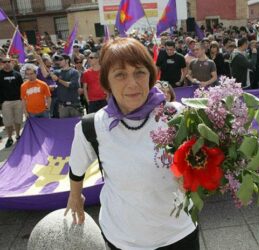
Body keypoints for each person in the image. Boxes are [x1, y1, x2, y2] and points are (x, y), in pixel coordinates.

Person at [65, 38, 198, 250]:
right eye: (120, 75)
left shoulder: (177, 114)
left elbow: (202, 162)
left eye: (139, 72)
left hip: (179, 233)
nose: (133, 83)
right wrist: (74, 196)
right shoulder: (92, 127)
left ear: (151, 75)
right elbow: (77, 168)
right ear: (107, 82)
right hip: (124, 239)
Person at [0, 56, 23, 148]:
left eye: (9, 61)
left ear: (11, 62)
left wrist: (23, 100)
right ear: (2, 63)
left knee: (18, 120)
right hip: (6, 103)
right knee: (8, 123)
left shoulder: (17, 74)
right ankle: (10, 138)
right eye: (5, 62)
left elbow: (22, 88)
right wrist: (1, 102)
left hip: (18, 101)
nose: (7, 63)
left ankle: (17, 135)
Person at [51, 54, 82, 118]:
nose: (59, 61)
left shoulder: (74, 72)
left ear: (67, 60)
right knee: (64, 126)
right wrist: (40, 61)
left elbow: (70, 85)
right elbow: (45, 74)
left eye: (61, 59)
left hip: (74, 105)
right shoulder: (57, 72)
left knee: (77, 126)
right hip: (63, 106)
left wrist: (58, 80)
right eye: (58, 60)